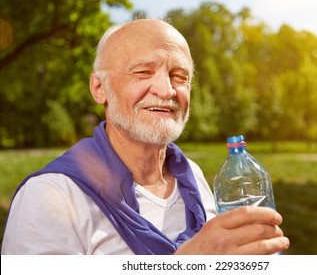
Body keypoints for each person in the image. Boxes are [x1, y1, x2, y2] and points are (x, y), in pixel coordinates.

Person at [1, 19, 289, 255]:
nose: (166, 90)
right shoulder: (49, 196)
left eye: (179, 76)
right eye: (142, 72)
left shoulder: (196, 178)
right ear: (99, 88)